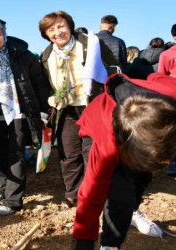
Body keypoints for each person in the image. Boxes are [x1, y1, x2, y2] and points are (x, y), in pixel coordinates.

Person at [73, 73, 176, 250]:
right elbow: (91, 194)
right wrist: (84, 241)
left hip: (146, 126)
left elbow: (156, 76)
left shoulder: (171, 98)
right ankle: (110, 245)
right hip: (97, 126)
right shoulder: (108, 143)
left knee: (142, 178)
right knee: (121, 194)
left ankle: (132, 212)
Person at [38, 11, 118, 208]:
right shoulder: (47, 55)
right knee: (68, 153)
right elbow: (47, 84)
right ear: (46, 34)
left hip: (92, 105)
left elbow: (113, 68)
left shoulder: (90, 44)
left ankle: (93, 192)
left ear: (70, 26)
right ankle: (72, 192)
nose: (57, 32)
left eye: (61, 26)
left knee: (91, 151)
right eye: (51, 29)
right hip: (66, 109)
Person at [0, 20, 51, 215]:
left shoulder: (22, 55)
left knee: (15, 152)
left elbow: (39, 83)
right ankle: (0, 189)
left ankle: (13, 200)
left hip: (18, 110)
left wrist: (43, 109)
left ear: (5, 35)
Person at [158, 24, 176, 176]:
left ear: (173, 36)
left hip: (172, 93)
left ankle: (173, 163)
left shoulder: (166, 55)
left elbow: (161, 77)